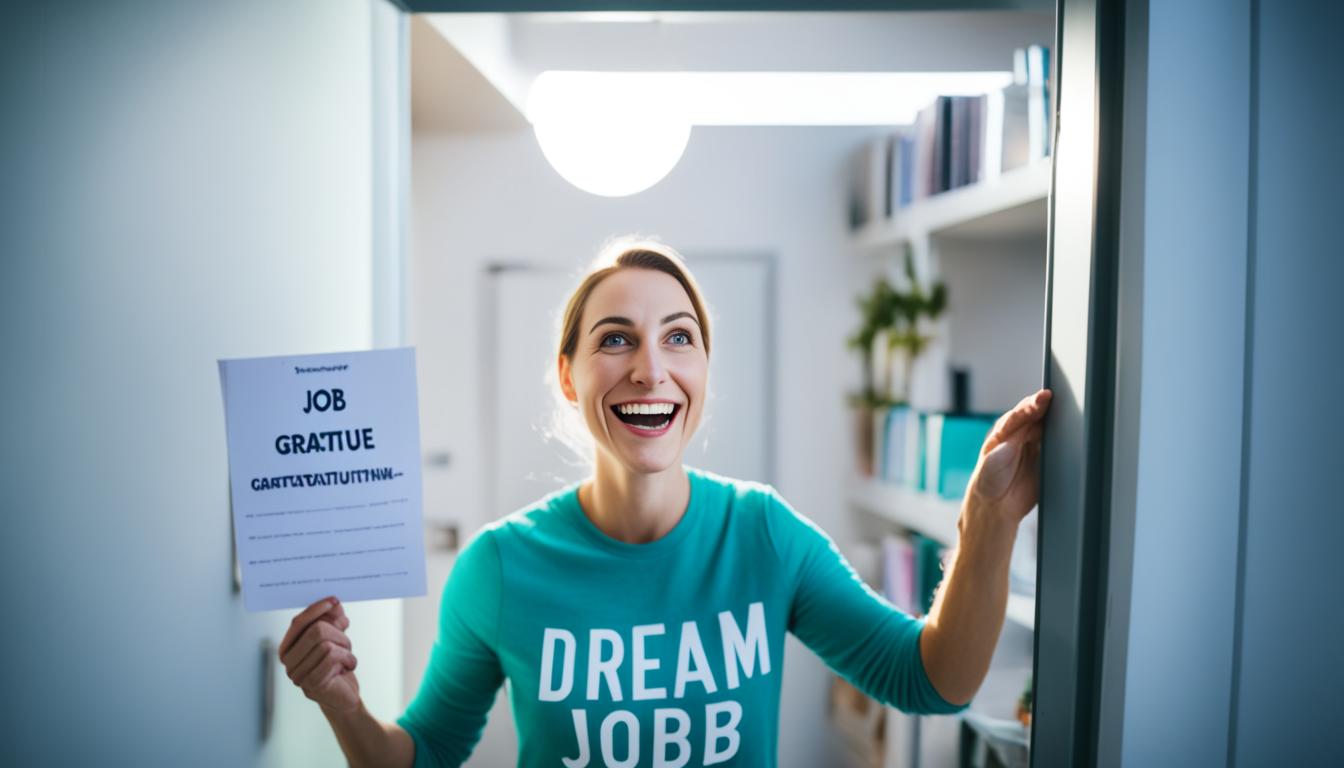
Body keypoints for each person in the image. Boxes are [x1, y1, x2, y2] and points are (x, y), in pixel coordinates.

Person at [278, 238, 1052, 768]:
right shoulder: (499, 568)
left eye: (678, 338)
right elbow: (423, 756)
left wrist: (987, 522)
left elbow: (932, 681)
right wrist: (341, 704)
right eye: (616, 339)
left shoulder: (764, 536)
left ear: (704, 372)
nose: (651, 368)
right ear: (569, 376)